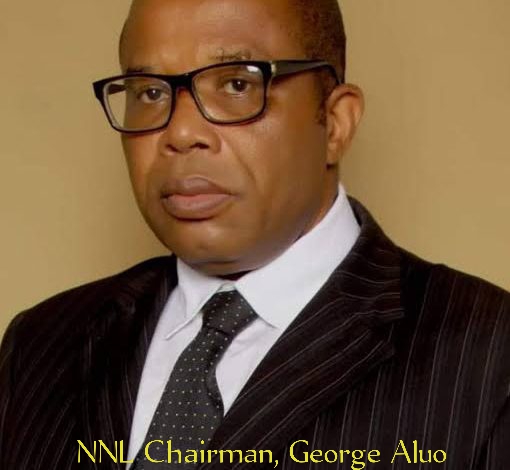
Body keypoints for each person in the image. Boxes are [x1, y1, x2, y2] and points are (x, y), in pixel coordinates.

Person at [0, 0, 508, 468]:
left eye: (237, 85)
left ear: (335, 123)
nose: (181, 132)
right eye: (150, 92)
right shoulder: (40, 344)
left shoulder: (488, 355)